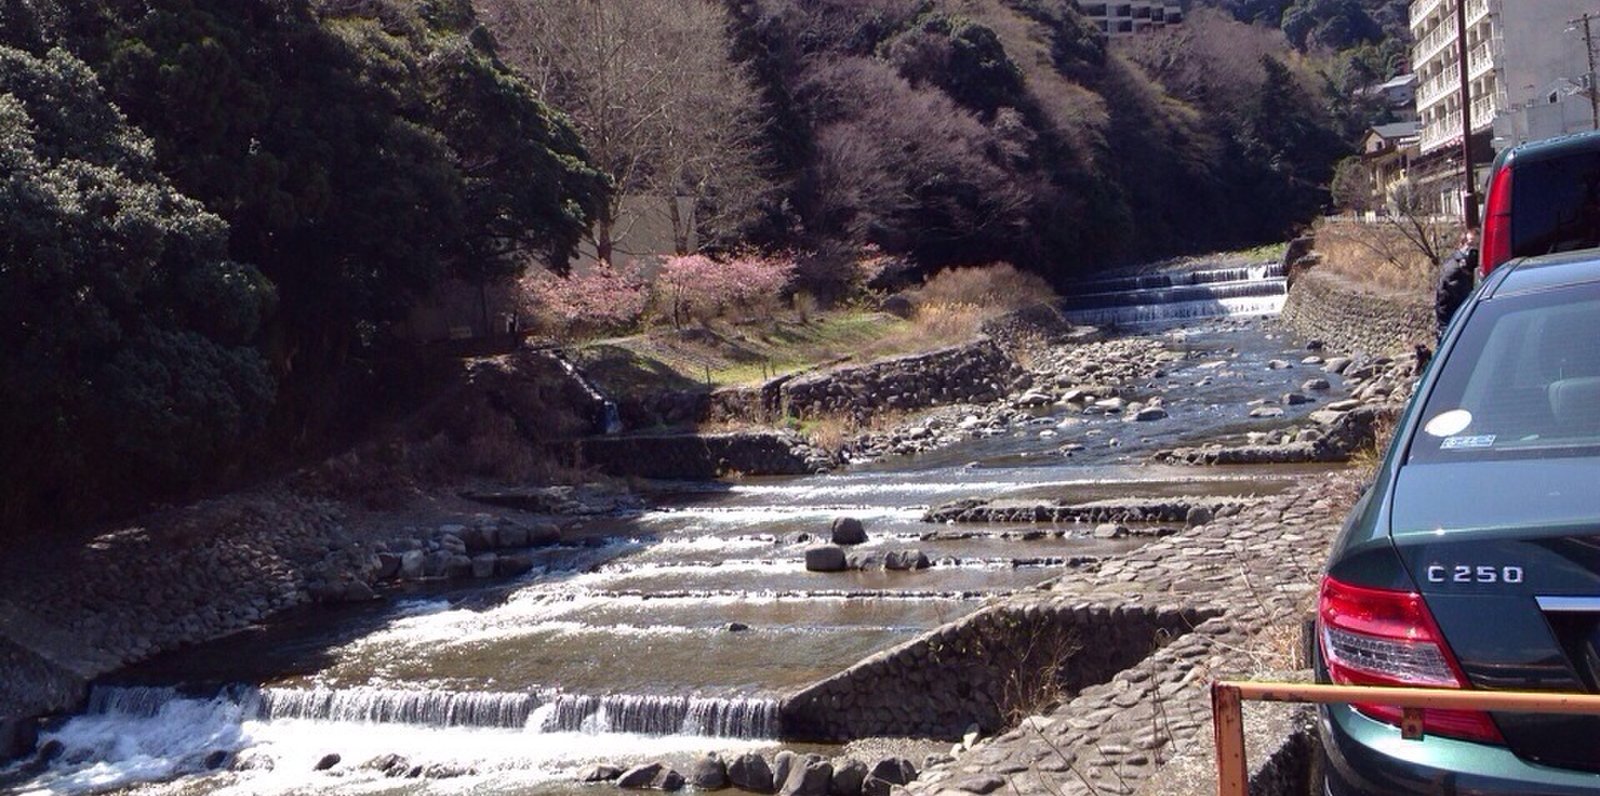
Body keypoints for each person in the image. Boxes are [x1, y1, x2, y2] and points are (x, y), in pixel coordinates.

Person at [1434, 228, 1478, 343]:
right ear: (1461, 245)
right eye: (1470, 244)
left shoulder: (1470, 268)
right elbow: (1467, 299)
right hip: (1451, 328)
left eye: (1478, 245)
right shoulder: (1454, 269)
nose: (1474, 249)